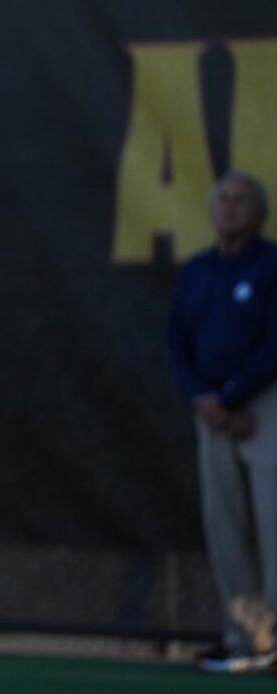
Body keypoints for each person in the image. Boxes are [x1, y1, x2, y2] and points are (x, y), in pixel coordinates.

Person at [167, 170, 277, 674]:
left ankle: (274, 641)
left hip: (262, 409)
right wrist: (204, 400)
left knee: (272, 525)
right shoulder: (197, 271)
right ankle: (245, 637)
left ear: (258, 214)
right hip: (211, 416)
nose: (229, 208)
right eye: (223, 200)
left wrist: (234, 396)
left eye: (241, 201)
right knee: (226, 529)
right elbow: (176, 343)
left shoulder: (272, 265)